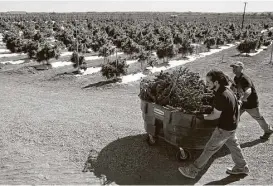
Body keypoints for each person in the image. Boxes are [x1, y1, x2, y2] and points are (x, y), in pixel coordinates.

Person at [178, 69, 249, 179]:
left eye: (208, 82)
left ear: (216, 83)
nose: (206, 85)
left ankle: (192, 171)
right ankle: (242, 167)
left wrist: (200, 117)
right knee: (234, 146)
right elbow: (236, 107)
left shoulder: (221, 96)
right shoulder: (227, 90)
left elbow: (215, 115)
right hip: (232, 126)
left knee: (209, 149)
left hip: (224, 129)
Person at [230, 61, 273, 140]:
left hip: (250, 103)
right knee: (234, 117)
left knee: (258, 117)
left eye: (236, 67)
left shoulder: (244, 78)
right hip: (242, 103)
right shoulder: (236, 78)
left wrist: (241, 100)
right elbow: (233, 87)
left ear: (241, 68)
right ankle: (230, 136)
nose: (234, 69)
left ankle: (268, 130)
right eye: (233, 67)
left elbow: (248, 91)